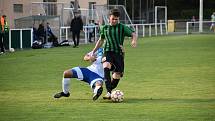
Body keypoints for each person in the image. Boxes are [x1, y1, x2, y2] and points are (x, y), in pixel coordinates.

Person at [91, 8, 137, 99]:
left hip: (118, 54)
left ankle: (109, 89)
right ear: (109, 18)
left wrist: (134, 40)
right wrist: (93, 51)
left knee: (116, 76)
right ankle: (108, 92)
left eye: (116, 19)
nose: (115, 21)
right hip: (107, 51)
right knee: (106, 65)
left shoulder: (122, 27)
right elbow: (101, 40)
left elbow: (133, 34)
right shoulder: (105, 28)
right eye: (113, 19)